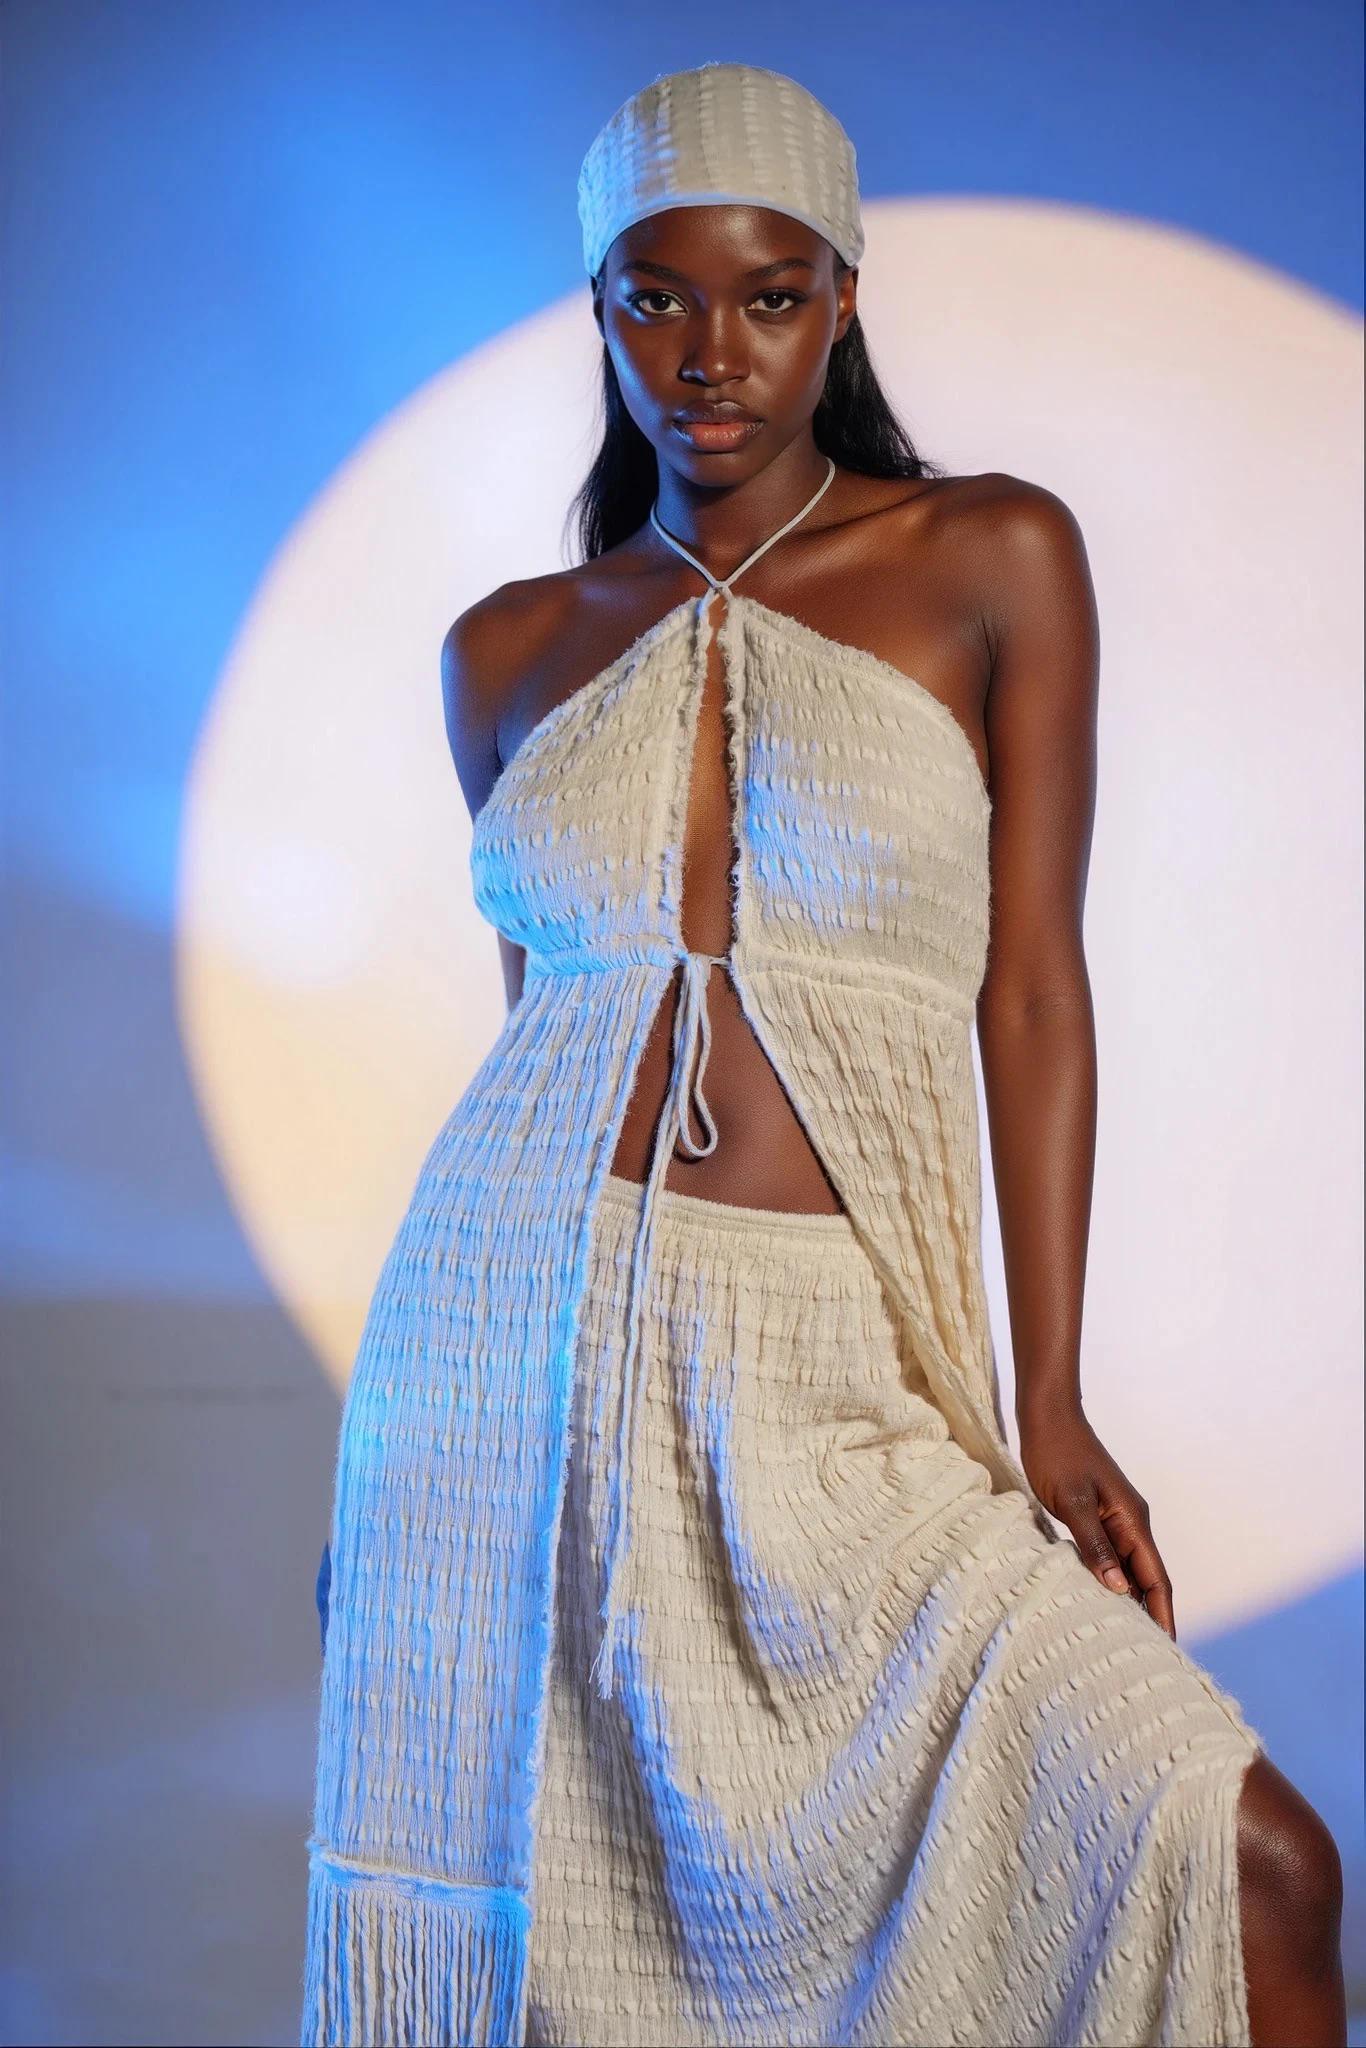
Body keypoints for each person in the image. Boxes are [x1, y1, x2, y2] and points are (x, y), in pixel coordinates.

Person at [303, 60, 1345, 2048]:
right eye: (656, 300)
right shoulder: (507, 648)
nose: (711, 354)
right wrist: (415, 1481)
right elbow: (540, 1036)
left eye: (769, 296)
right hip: (522, 1363)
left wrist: (1047, 1394)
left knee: (1255, 1867)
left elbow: (1028, 986)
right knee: (578, 1955)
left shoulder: (987, 555)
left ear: (843, 299)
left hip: (842, 1364)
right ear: (599, 312)